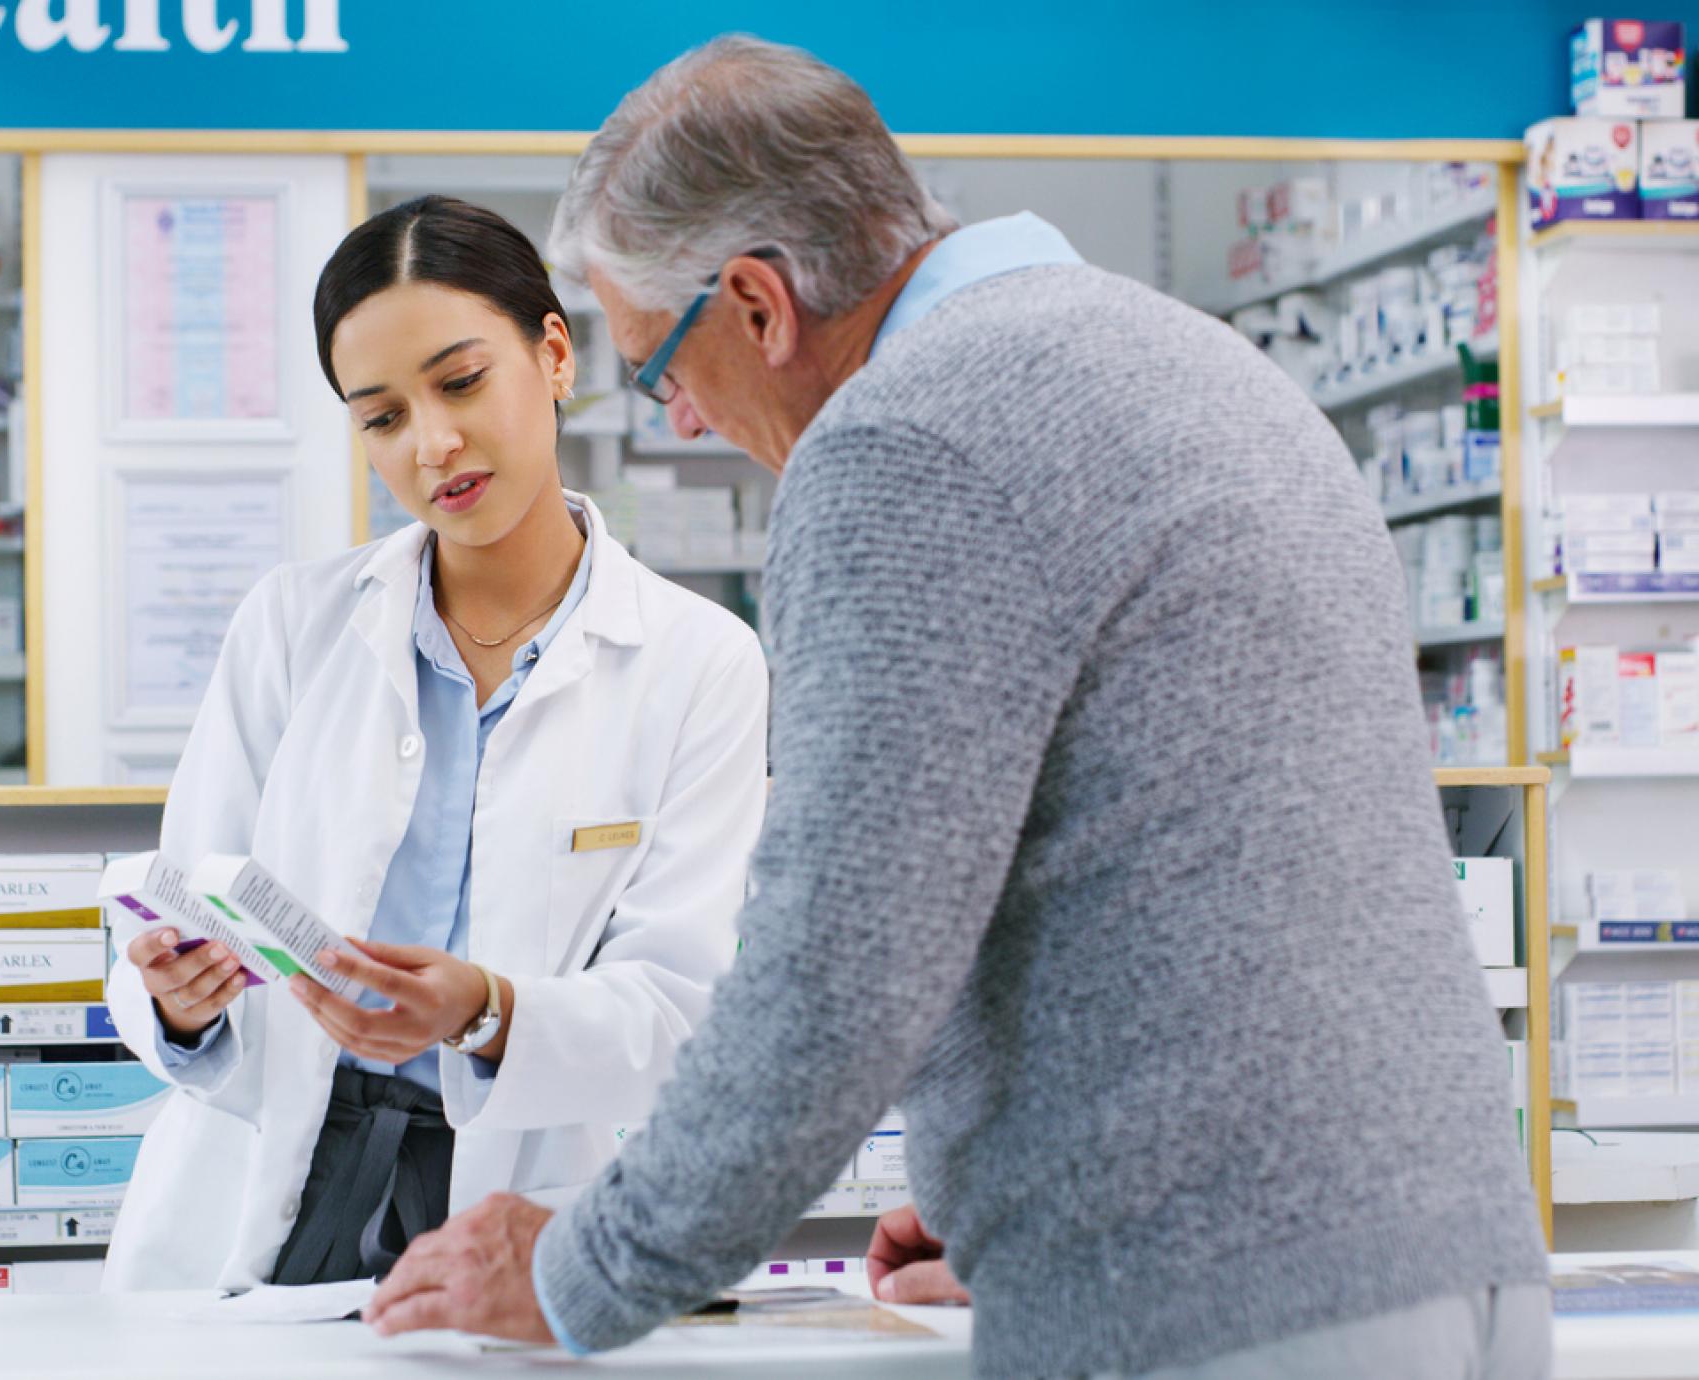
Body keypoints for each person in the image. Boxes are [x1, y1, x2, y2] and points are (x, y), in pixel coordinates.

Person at [364, 36, 1553, 1379]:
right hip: (1445, 1263)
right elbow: (1196, 866)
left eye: (661, 367)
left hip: (1216, 1302)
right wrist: (1023, 1181)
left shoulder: (904, 443)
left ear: (758, 305)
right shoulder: (1192, 359)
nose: (682, 421)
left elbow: (837, 967)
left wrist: (582, 1270)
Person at [100, 195, 770, 1292]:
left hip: (527, 1193)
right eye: (381, 416)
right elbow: (186, 899)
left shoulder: (698, 660)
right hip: (281, 1172)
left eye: (461, 383)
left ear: (552, 354)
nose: (432, 444)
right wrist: (177, 1001)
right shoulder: (292, 623)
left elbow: (677, 1006)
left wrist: (486, 1009)